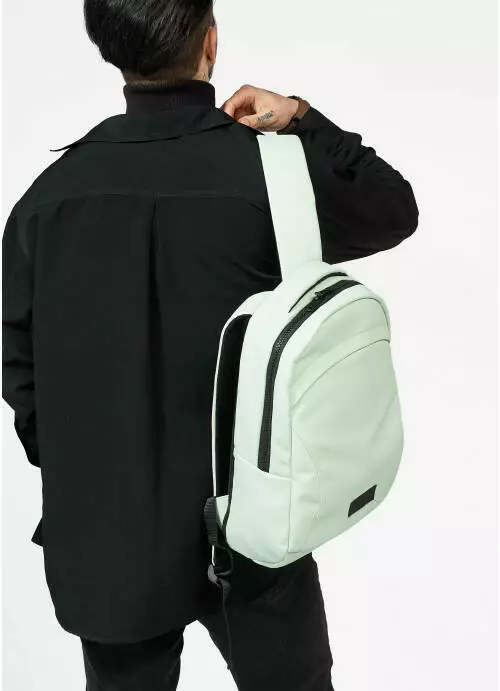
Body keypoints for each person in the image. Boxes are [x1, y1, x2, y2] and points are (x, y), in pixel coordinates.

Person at [2, 0, 419, 688]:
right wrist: (301, 117)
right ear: (211, 42)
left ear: (110, 47)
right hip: (258, 523)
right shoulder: (273, 174)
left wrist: (89, 476)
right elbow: (391, 209)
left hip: (111, 538)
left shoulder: (46, 202)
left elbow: (22, 371)